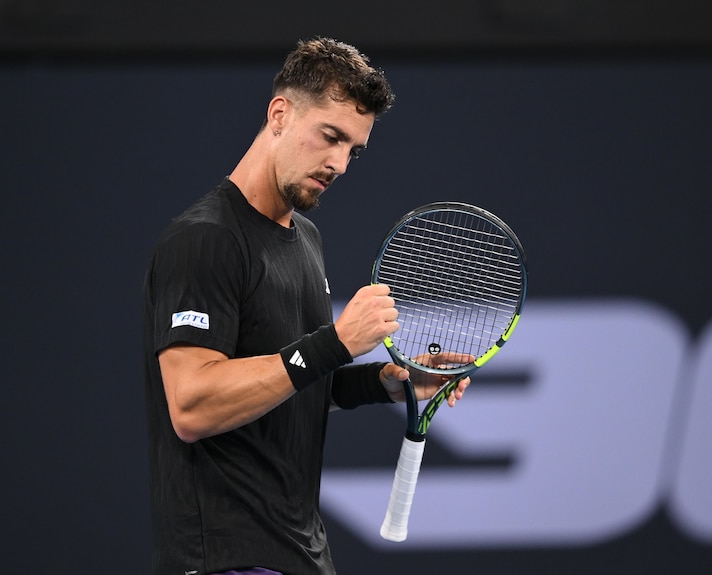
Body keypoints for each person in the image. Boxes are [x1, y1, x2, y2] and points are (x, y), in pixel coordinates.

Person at [142, 37, 468, 575]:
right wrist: (334, 342)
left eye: (353, 150)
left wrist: (386, 383)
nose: (339, 163)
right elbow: (193, 406)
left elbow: (292, 383)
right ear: (280, 115)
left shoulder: (306, 239)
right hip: (227, 560)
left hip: (301, 556)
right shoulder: (204, 239)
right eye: (331, 136)